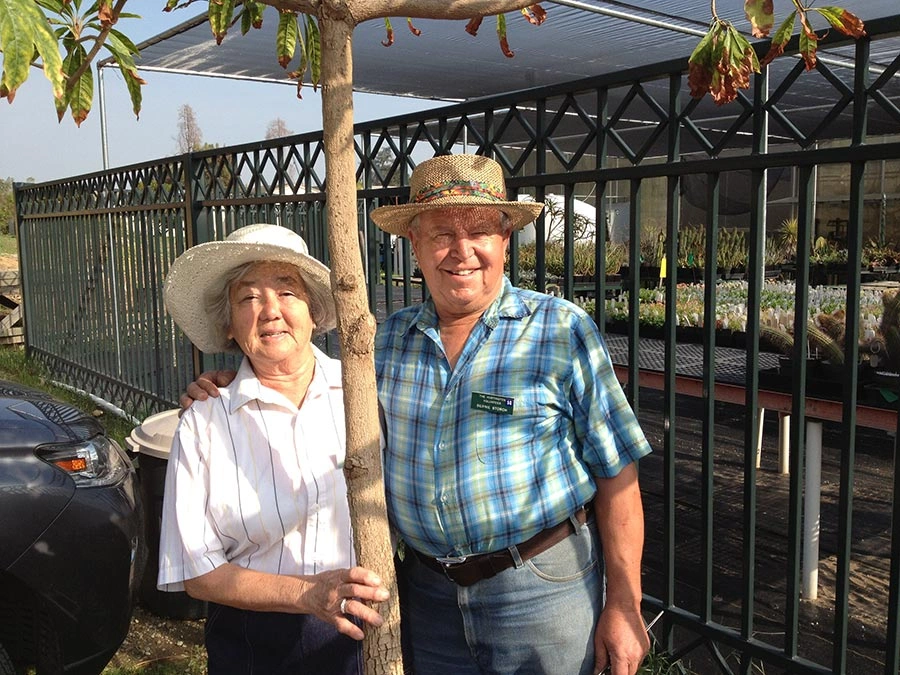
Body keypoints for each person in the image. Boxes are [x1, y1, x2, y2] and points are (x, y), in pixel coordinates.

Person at [184, 155, 653, 675]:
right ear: (414, 244)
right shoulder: (385, 345)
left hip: (539, 589)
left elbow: (618, 475)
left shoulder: (560, 331)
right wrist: (234, 382)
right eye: (440, 234)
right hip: (428, 599)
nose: (461, 251)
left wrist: (625, 604)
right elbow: (306, 383)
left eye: (479, 231)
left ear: (504, 238)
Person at [159, 223, 389, 675]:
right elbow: (198, 573)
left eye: (287, 292)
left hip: (365, 631)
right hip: (251, 643)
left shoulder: (364, 395)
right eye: (248, 298)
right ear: (228, 323)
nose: (270, 311)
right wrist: (306, 594)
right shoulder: (205, 422)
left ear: (313, 310)